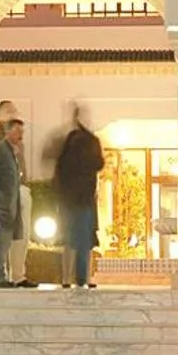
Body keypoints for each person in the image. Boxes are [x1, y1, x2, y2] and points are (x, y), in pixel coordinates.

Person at [0, 100, 37, 287]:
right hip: (3, 194)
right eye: (9, 111)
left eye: (15, 111)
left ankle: (18, 275)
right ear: (0, 115)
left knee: (22, 233)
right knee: (2, 235)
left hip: (20, 189)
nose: (14, 114)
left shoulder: (17, 137)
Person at [54, 103, 106, 289]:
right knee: (79, 237)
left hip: (76, 197)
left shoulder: (73, 140)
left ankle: (72, 279)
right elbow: (98, 163)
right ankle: (76, 278)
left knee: (75, 238)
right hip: (80, 197)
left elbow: (60, 169)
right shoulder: (86, 141)